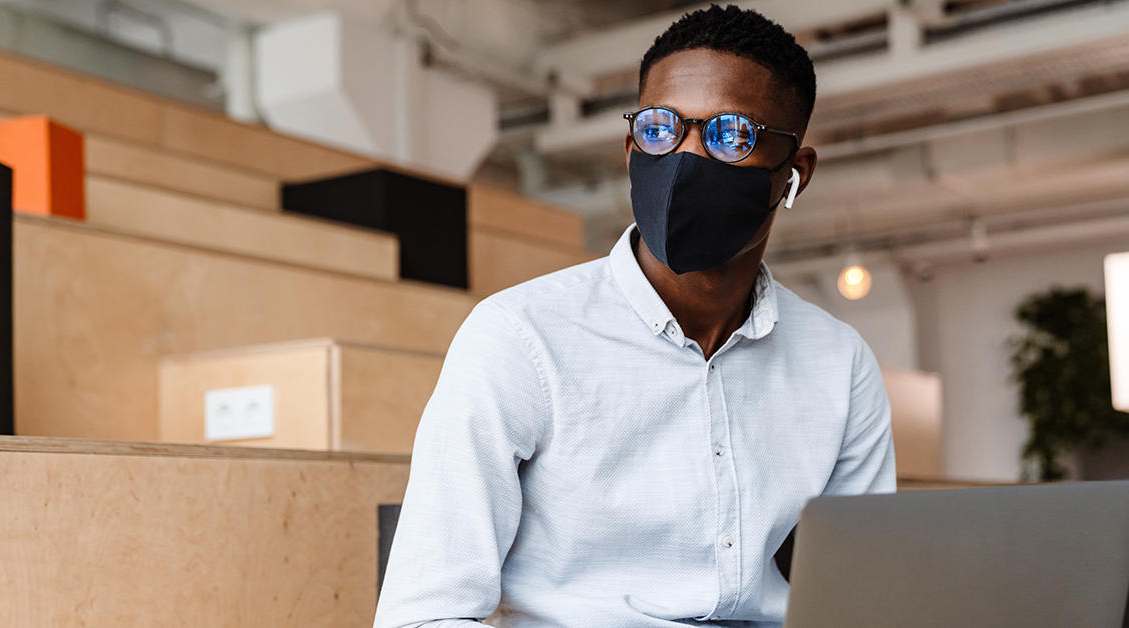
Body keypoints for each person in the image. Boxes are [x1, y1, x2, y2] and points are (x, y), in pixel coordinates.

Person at [374, 5, 896, 627]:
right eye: (659, 129)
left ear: (795, 174)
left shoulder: (839, 363)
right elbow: (423, 617)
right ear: (630, 149)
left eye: (731, 135)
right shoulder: (520, 339)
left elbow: (861, 601)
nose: (684, 156)